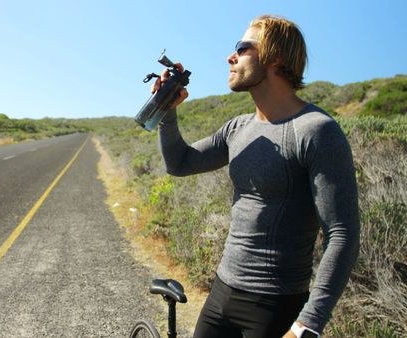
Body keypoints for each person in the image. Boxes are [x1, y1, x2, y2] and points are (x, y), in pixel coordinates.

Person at [153, 15, 360, 338]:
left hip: (275, 305)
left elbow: (342, 232)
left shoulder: (316, 131)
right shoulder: (238, 128)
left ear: (275, 57)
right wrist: (166, 110)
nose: (230, 56)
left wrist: (308, 325)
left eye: (242, 48)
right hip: (222, 290)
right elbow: (180, 163)